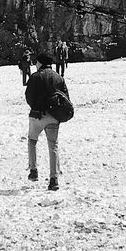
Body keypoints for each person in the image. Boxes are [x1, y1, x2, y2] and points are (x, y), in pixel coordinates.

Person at [25, 50, 70, 192]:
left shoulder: (35, 77)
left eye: (36, 62)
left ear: (40, 63)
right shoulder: (58, 77)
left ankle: (33, 170)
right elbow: (66, 97)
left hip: (37, 115)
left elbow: (29, 97)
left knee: (32, 141)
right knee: (53, 146)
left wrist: (36, 107)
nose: (35, 64)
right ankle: (54, 179)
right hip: (54, 116)